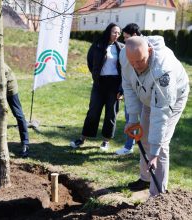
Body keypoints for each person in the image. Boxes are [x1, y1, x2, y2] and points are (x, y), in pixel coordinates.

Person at [120, 36, 189, 196]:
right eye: (133, 62)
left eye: (140, 61)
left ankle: (157, 197)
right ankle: (145, 178)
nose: (136, 66)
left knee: (161, 144)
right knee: (143, 136)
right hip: (147, 94)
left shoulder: (164, 71)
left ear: (150, 52)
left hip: (172, 98)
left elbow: (161, 113)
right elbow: (129, 87)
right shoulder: (126, 56)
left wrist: (154, 153)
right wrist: (133, 119)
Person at [70, 23, 124, 151]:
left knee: (111, 114)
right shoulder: (98, 45)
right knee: (93, 111)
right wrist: (96, 74)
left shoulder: (122, 48)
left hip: (115, 84)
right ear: (108, 32)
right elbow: (90, 61)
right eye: (114, 32)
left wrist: (121, 89)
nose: (116, 35)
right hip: (99, 83)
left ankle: (106, 141)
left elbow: (125, 69)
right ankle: (83, 138)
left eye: (118, 33)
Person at [115, 23, 142, 155]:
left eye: (126, 37)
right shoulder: (124, 52)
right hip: (130, 91)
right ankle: (128, 146)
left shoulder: (146, 49)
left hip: (145, 93)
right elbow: (125, 74)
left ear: (135, 36)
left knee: (146, 121)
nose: (124, 40)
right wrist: (122, 89)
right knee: (130, 118)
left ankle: (146, 150)